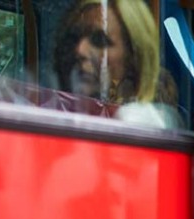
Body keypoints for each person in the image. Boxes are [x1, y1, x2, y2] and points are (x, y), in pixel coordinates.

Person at [52, 0, 180, 127]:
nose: (80, 50)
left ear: (133, 58)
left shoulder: (137, 123)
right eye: (73, 38)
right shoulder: (55, 110)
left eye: (100, 40)